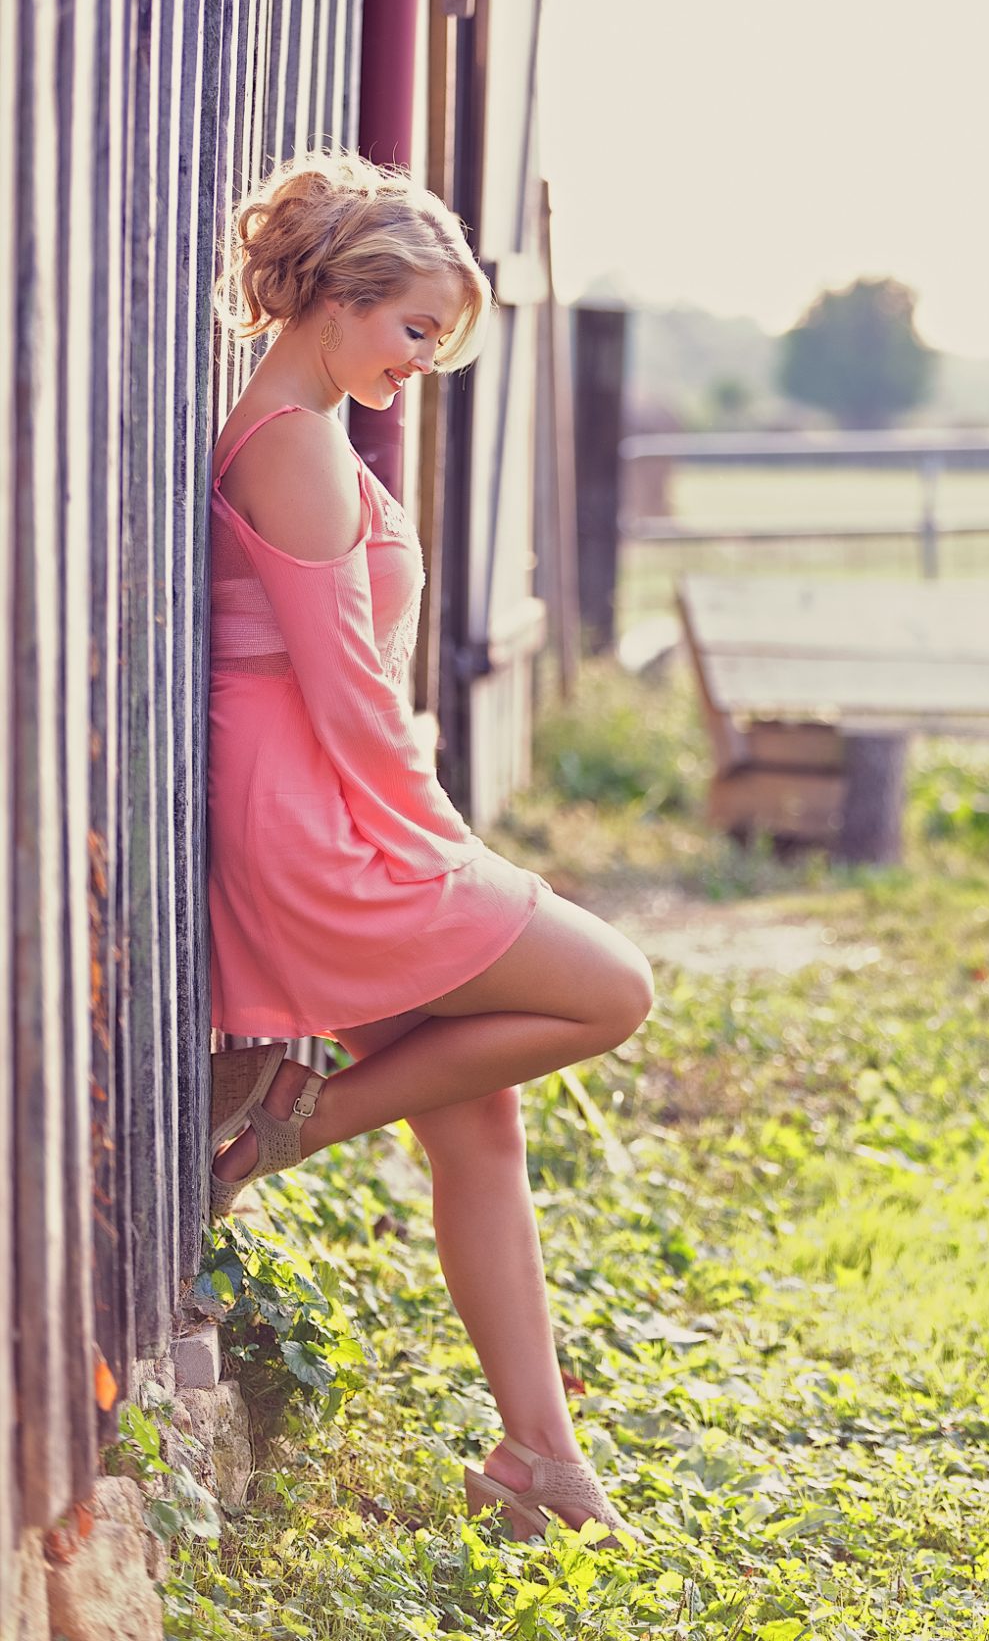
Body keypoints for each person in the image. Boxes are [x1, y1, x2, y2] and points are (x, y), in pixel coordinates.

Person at [206, 148, 653, 1545]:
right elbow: (347, 692)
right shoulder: (292, 442)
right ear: (338, 297)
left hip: (320, 805)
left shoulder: (296, 426)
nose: (422, 363)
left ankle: (542, 1465)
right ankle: (294, 1129)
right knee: (610, 989)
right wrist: (437, 840)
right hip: (325, 830)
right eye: (412, 330)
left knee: (481, 1125)